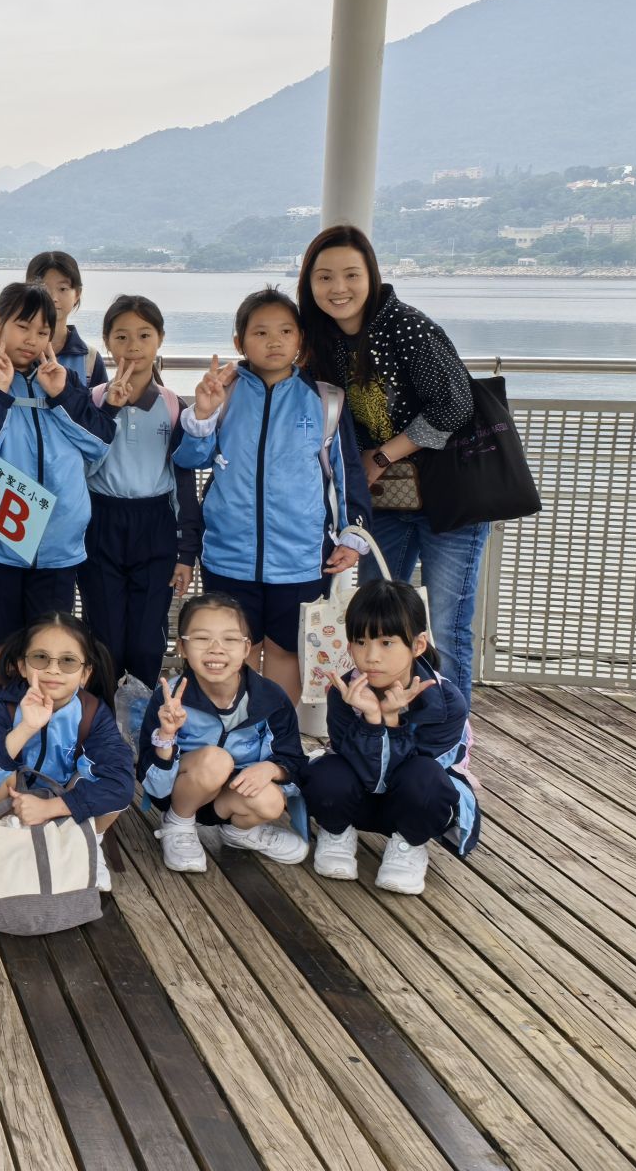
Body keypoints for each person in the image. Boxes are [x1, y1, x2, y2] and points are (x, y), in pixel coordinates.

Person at [298, 224, 489, 701]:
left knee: (446, 624)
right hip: (385, 503)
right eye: (324, 277)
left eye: (351, 275)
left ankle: (449, 733)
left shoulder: (405, 326)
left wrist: (382, 455)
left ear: (372, 276)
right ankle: (383, 724)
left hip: (450, 498)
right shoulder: (322, 341)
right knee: (377, 620)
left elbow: (455, 403)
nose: (338, 288)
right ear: (309, 283)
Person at [174, 288, 370, 702]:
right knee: (234, 650)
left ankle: (278, 735)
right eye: (260, 332)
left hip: (301, 559)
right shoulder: (224, 392)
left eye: (285, 331)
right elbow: (191, 459)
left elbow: (347, 475)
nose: (274, 341)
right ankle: (235, 733)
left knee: (287, 651)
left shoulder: (325, 400)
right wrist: (203, 413)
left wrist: (352, 535)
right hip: (228, 555)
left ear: (300, 339)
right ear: (239, 342)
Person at [0, 283, 114, 656]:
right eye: (23, 326)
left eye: (43, 332)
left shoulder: (65, 381)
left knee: (48, 650)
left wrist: (62, 394)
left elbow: (100, 444)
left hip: (59, 547)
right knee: (2, 651)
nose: (32, 340)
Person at [303, 579, 480, 894]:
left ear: (418, 645)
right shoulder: (344, 692)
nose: (371, 656)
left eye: (386, 642)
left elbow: (423, 774)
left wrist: (392, 721)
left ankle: (409, 844)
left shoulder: (446, 701)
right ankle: (337, 833)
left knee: (425, 777)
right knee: (324, 773)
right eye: (360, 641)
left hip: (414, 804)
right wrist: (372, 720)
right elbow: (352, 762)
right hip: (361, 800)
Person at [77, 295, 202, 695]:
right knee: (105, 637)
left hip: (155, 525)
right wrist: (109, 411)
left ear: (160, 339)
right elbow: (79, 469)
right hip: (101, 521)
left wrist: (186, 553)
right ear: (107, 342)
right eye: (122, 336)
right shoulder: (91, 401)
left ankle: (146, 722)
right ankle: (101, 723)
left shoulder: (173, 406)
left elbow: (184, 482)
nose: (133, 346)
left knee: (148, 640)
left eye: (144, 335)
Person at [137, 594, 309, 874]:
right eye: (202, 638)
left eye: (229, 639)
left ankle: (238, 833)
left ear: (246, 648)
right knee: (216, 761)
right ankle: (178, 824)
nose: (216, 650)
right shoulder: (169, 698)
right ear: (182, 647)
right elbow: (151, 781)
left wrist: (271, 769)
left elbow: (294, 760)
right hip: (180, 792)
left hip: (230, 796)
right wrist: (166, 735)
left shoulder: (271, 698)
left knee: (271, 802)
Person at [0, 613, 134, 892]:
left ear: (85, 673)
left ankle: (88, 845)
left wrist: (49, 808)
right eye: (41, 658)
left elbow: (121, 785)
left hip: (64, 801)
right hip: (11, 801)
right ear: (22, 665)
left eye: (68, 661)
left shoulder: (93, 713)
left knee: (108, 783)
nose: (53, 669)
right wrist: (25, 728)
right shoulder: (3, 704)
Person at [25, 250, 107, 387]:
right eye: (42, 289)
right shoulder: (15, 351)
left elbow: (98, 401)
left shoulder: (89, 359)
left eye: (62, 289)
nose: (53, 298)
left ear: (77, 294)